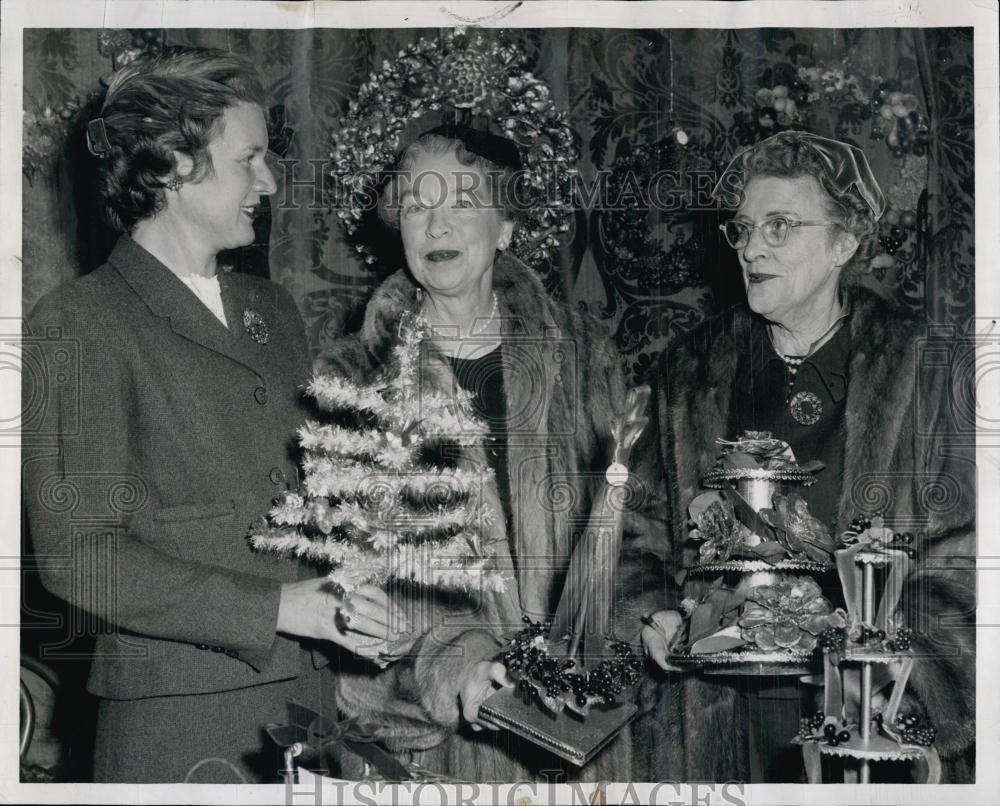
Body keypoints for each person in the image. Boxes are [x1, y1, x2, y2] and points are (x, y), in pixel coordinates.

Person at [20, 47, 401, 783]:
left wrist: (346, 590)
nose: (268, 180)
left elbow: (298, 505)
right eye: (249, 158)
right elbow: (79, 555)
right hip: (178, 722)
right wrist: (276, 608)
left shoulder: (274, 310)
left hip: (308, 707)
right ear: (170, 165)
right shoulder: (80, 320)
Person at [312, 125, 667, 781]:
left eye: (462, 203)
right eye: (417, 205)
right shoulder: (353, 377)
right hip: (437, 750)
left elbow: (635, 526)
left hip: (586, 735)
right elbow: (357, 576)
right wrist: (463, 664)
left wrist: (631, 625)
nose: (436, 225)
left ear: (505, 227)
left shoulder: (585, 352)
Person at [634, 131, 975, 783]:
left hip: (871, 727)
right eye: (743, 230)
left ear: (843, 243)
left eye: (781, 226)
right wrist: (654, 615)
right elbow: (636, 536)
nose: (753, 247)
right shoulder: (689, 373)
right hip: (716, 721)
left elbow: (967, 560)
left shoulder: (924, 371)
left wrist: (903, 672)